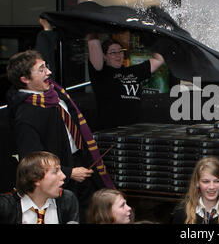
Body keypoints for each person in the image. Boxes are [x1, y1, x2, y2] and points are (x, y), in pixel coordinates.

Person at [6, 50, 112, 223]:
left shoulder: (54, 92)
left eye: (46, 66)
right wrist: (69, 172)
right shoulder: (25, 116)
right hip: (61, 176)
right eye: (40, 69)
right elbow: (31, 162)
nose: (48, 72)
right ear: (25, 80)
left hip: (81, 161)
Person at [86, 33, 165, 130]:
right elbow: (94, 45)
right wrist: (91, 31)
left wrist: (151, 36)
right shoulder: (100, 73)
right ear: (104, 56)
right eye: (113, 52)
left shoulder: (132, 71)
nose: (118, 55)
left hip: (133, 130)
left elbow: (158, 60)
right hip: (109, 131)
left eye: (120, 51)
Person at [0, 151, 79, 224]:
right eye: (55, 171)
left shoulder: (67, 200)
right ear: (35, 179)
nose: (64, 176)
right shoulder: (6, 206)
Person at [171, 157, 219, 224]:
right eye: (206, 181)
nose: (211, 187)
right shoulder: (182, 213)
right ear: (197, 182)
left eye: (217, 181)